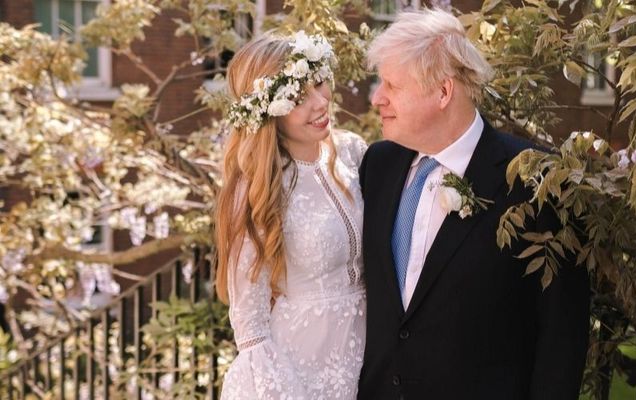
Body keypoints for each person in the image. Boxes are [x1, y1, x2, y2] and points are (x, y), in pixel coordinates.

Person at [358, 9, 590, 400]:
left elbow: (561, 337)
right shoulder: (377, 165)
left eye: (392, 85)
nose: (377, 98)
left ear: (443, 92)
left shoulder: (537, 181)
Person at [215, 31, 367, 400]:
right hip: (300, 370)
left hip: (371, 354)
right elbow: (251, 325)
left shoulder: (353, 152)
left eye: (318, 83)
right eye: (299, 97)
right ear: (269, 111)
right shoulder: (256, 188)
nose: (320, 102)